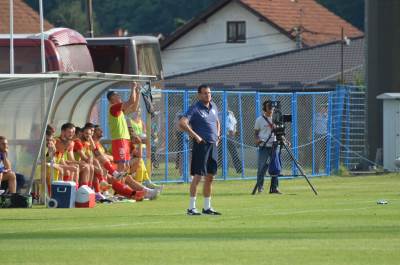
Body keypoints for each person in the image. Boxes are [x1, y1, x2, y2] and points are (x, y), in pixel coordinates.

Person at [179, 84, 221, 215]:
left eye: (209, 93)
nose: (207, 95)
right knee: (198, 176)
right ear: (199, 95)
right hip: (201, 145)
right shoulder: (195, 108)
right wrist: (195, 136)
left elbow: (217, 122)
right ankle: (191, 208)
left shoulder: (213, 106)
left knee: (210, 177)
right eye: (204, 93)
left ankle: (207, 207)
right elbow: (182, 123)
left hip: (212, 144)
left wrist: (218, 136)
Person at [107, 82, 140, 172]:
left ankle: (122, 185)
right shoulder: (113, 108)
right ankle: (119, 184)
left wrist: (138, 93)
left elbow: (134, 108)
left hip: (124, 139)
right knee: (122, 166)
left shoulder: (119, 110)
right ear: (111, 99)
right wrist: (133, 87)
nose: (119, 96)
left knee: (125, 166)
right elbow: (131, 102)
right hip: (119, 140)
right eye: (116, 95)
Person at [254, 100, 282, 194]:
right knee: (262, 167)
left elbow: (279, 131)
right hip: (264, 146)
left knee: (275, 167)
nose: (271, 109)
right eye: (269, 107)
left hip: (274, 145)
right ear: (264, 108)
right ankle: (260, 187)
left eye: (272, 107)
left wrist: (284, 140)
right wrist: (257, 140)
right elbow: (256, 133)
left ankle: (274, 188)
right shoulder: (259, 120)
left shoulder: (276, 118)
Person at [314, 104, 328, 174]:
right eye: (322, 107)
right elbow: (312, 125)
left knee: (325, 153)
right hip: (317, 136)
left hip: (325, 136)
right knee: (317, 153)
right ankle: (316, 170)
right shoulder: (316, 115)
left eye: (325, 108)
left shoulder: (328, 116)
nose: (323, 109)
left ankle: (326, 169)